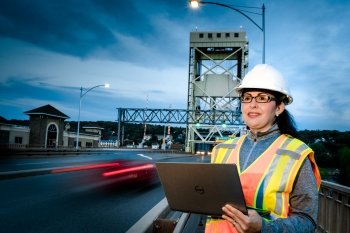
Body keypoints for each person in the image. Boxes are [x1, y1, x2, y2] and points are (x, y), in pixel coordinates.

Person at [205, 64, 321, 233]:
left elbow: (307, 221)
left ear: (279, 108)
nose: (252, 104)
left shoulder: (296, 155)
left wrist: (265, 227)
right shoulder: (222, 149)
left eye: (262, 98)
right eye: (247, 97)